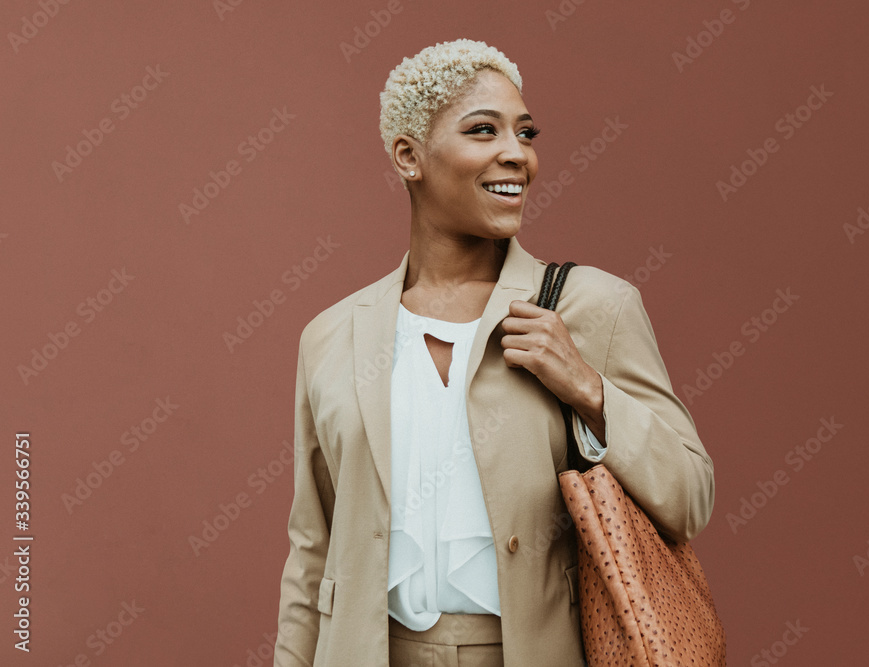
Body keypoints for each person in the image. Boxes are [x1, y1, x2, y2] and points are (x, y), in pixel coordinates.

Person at [273, 38, 715, 667]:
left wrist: (589, 389)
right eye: (484, 130)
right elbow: (311, 549)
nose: (517, 155)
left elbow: (690, 497)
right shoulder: (332, 335)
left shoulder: (591, 307)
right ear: (409, 156)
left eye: (526, 133)